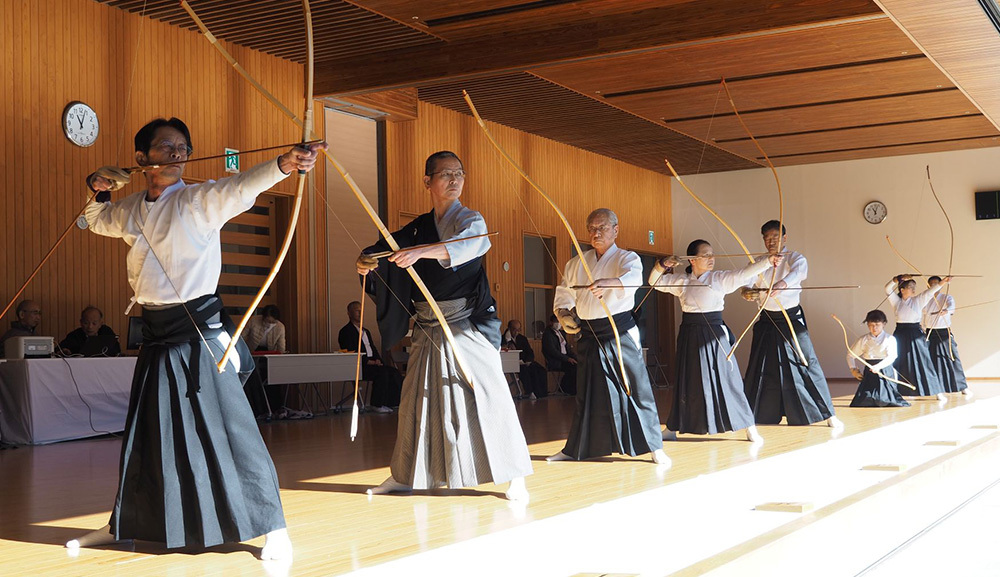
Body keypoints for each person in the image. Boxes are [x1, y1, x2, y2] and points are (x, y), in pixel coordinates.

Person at [66, 116, 325, 561]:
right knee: (150, 433)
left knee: (232, 427)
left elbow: (242, 186)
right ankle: (123, 523)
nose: (178, 153)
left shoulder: (201, 199)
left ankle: (273, 527)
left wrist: (284, 164)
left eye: (182, 147)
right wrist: (98, 188)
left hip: (200, 332)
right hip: (156, 333)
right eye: (166, 147)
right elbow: (92, 222)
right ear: (141, 159)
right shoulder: (130, 209)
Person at [356, 150, 531, 501]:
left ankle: (515, 475)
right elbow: (386, 247)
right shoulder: (419, 227)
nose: (454, 180)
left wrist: (420, 253)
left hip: (466, 323)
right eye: (445, 174)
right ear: (428, 181)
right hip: (426, 324)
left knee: (489, 392)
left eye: (459, 174)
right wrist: (367, 261)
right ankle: (405, 475)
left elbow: (467, 245)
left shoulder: (471, 219)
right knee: (413, 402)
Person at [546, 208, 669, 465]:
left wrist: (609, 283)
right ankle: (576, 448)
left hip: (618, 330)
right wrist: (563, 312)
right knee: (586, 392)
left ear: (615, 230)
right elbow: (564, 290)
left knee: (634, 387)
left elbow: (634, 279)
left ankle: (654, 447)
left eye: (602, 227)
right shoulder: (577, 261)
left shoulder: (628, 258)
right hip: (589, 333)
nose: (596, 233)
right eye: (591, 228)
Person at [650, 239, 781, 444]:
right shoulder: (682, 281)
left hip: (714, 334)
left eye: (712, 254)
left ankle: (749, 426)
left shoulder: (719, 278)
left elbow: (744, 274)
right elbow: (654, 282)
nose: (711, 259)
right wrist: (662, 265)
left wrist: (767, 261)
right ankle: (673, 427)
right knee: (687, 381)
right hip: (689, 334)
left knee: (729, 380)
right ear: (692, 259)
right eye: (706, 255)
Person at [741, 221, 841, 429]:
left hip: (791, 320)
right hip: (767, 320)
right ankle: (754, 414)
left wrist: (782, 284)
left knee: (806, 363)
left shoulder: (795, 258)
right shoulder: (760, 262)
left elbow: (798, 274)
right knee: (761, 367)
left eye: (775, 237)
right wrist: (747, 292)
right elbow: (747, 282)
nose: (771, 241)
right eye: (767, 238)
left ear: (784, 238)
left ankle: (828, 414)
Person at [885, 274, 949, 400]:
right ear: (902, 290)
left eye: (914, 287)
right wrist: (897, 279)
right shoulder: (896, 301)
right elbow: (887, 289)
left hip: (915, 333)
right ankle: (898, 391)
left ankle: (937, 391)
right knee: (899, 362)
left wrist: (943, 282)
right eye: (910, 287)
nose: (914, 290)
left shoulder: (918, 300)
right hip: (900, 333)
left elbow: (931, 291)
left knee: (924, 362)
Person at [338, 300, 403, 412]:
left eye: (361, 310)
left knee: (394, 372)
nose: (360, 313)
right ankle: (376, 404)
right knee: (382, 373)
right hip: (360, 367)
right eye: (356, 311)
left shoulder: (366, 331)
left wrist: (378, 360)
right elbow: (350, 352)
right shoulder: (345, 331)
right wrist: (369, 362)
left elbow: (372, 348)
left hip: (373, 364)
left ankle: (392, 403)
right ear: (349, 313)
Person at [848, 310, 909, 407]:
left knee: (884, 400)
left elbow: (892, 356)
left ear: (884, 324)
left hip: (885, 371)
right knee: (863, 402)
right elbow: (850, 355)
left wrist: (878, 366)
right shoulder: (863, 340)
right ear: (867, 325)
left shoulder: (890, 339)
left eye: (877, 324)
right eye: (871, 325)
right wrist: (853, 369)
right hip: (869, 372)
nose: (874, 328)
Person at [922, 276, 970, 397]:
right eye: (931, 284)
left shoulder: (947, 297)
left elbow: (951, 307)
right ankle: (937, 390)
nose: (933, 286)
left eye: (936, 284)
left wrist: (946, 311)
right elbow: (919, 311)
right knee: (933, 361)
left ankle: (963, 386)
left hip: (945, 333)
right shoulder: (925, 299)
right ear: (928, 286)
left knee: (954, 358)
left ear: (941, 284)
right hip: (930, 332)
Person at [501, 319, 548, 399]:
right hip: (511, 363)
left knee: (540, 369)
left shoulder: (522, 338)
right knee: (524, 370)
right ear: (509, 328)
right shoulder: (502, 339)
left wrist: (529, 360)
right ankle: (530, 392)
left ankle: (540, 392)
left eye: (518, 330)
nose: (516, 332)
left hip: (524, 361)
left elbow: (530, 351)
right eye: (514, 329)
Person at [542, 314, 577, 395]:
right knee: (573, 367)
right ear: (551, 322)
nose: (558, 324)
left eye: (559, 322)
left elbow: (567, 348)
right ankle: (567, 389)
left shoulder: (561, 333)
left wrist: (576, 357)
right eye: (556, 322)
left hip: (565, 358)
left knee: (579, 364)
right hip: (556, 360)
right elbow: (553, 351)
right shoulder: (547, 334)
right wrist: (567, 359)